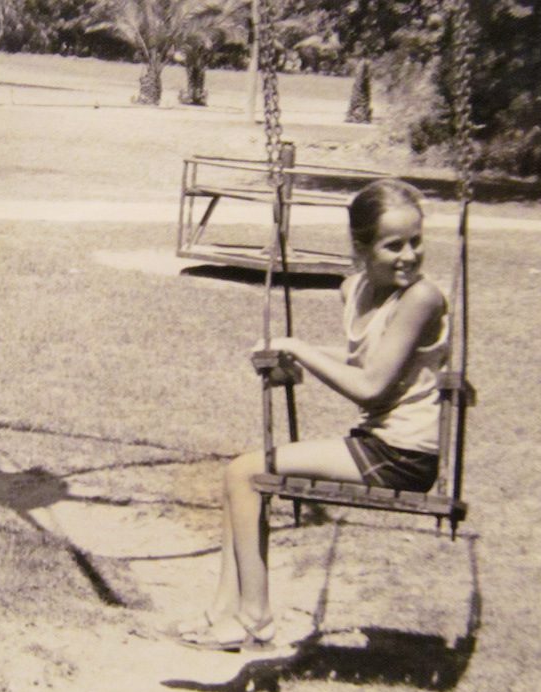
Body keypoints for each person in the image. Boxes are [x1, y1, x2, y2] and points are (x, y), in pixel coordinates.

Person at [172, 178, 448, 651]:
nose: (409, 256)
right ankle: (222, 612)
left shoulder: (421, 298)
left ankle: (254, 619)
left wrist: (297, 346)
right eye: (393, 245)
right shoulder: (355, 289)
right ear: (361, 248)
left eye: (416, 242)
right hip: (375, 442)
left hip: (402, 455)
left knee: (243, 473)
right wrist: (294, 357)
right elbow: (362, 361)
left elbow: (370, 385)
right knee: (238, 477)